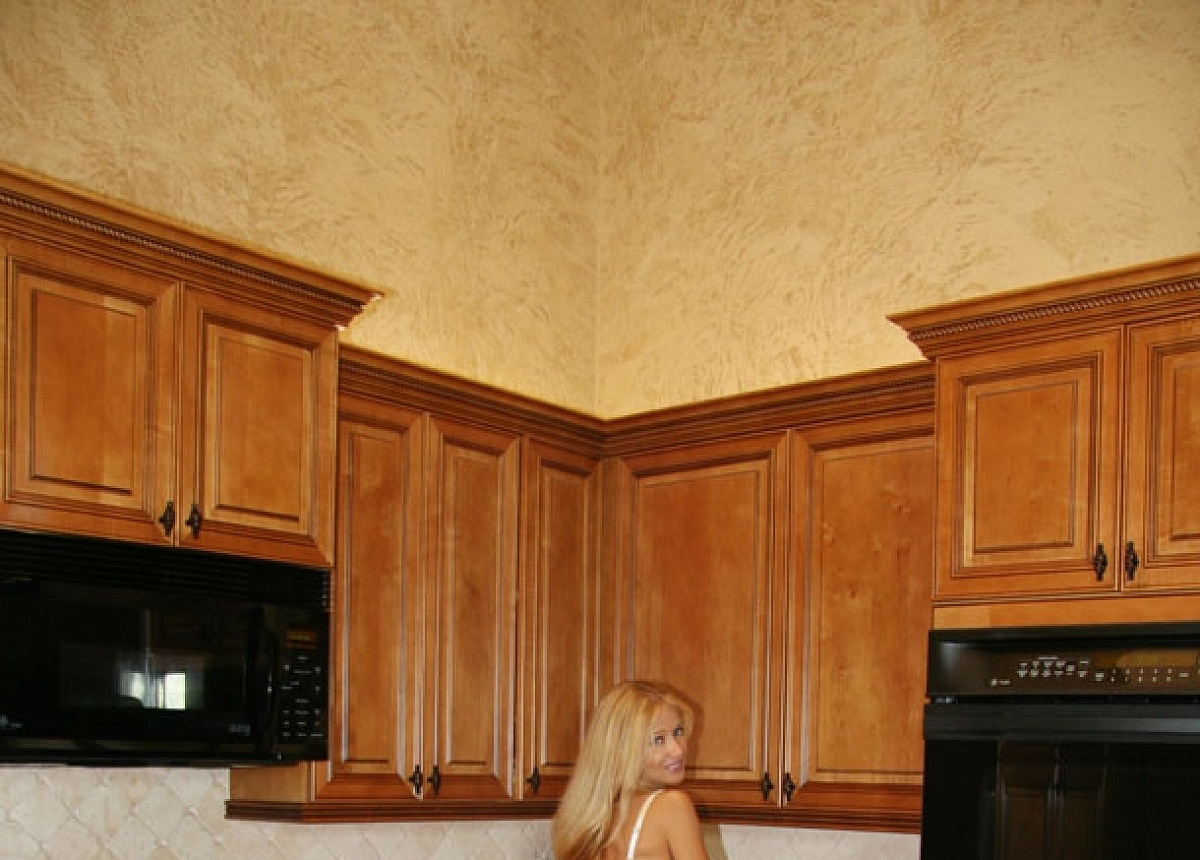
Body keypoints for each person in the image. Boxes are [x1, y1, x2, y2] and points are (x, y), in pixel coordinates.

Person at [551, 679, 711, 860]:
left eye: (678, 732)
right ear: (623, 750)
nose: (678, 750)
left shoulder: (597, 824)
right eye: (658, 740)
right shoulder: (673, 806)